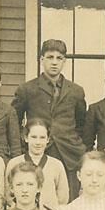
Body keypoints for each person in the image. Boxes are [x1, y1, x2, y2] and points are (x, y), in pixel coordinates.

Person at [12, 39, 86, 200]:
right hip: (39, 152)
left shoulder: (76, 91)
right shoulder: (27, 89)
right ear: (41, 60)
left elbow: (82, 124)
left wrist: (75, 144)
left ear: (64, 61)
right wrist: (24, 146)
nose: (54, 62)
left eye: (59, 58)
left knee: (68, 199)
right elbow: (14, 122)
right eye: (50, 57)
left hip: (70, 155)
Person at [5, 118, 69, 210]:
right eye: (34, 137)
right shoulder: (14, 163)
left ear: (48, 139)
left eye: (42, 137)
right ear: (26, 138)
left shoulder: (56, 165)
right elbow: (8, 194)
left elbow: (63, 198)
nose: (38, 142)